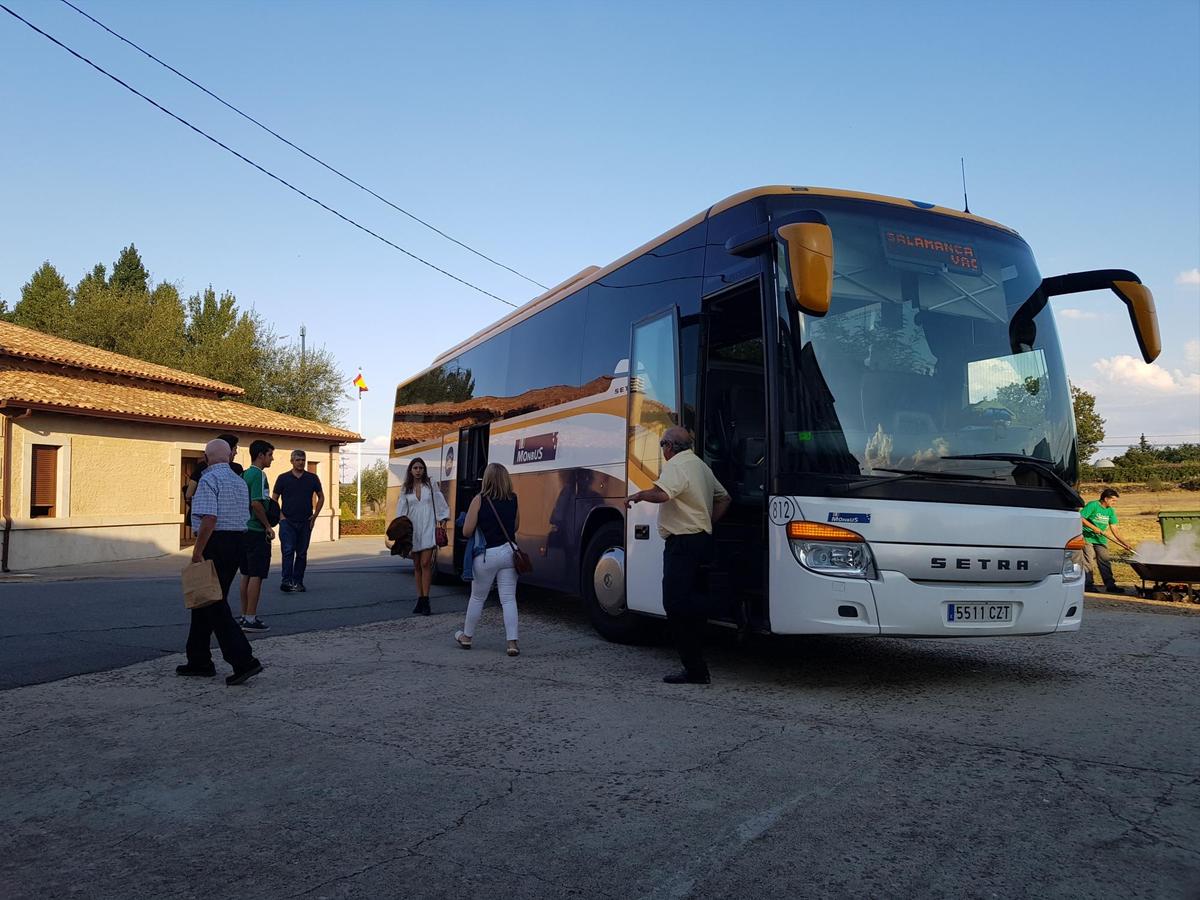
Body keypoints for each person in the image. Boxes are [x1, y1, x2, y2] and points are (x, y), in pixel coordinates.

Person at [626, 426, 731, 685]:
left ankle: (694, 669)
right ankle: (698, 665)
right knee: (692, 605)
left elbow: (663, 493)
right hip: (702, 540)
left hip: (682, 544)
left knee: (674, 604)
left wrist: (640, 495)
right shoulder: (701, 466)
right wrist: (706, 521)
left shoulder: (676, 466)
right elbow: (725, 498)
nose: (663, 450)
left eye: (663, 444)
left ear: (669, 447)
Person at [177, 438, 263, 686]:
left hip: (216, 543)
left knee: (214, 603)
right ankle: (198, 660)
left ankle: (243, 659)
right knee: (204, 601)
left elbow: (209, 519)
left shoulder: (209, 479)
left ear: (206, 456)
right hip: (237, 543)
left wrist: (197, 551)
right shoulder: (238, 481)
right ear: (228, 456)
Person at [455, 463, 521, 656]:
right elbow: (515, 527)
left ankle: (467, 637)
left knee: (477, 598)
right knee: (508, 600)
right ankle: (512, 643)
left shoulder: (480, 499)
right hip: (509, 554)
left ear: (487, 479)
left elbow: (467, 531)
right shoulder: (514, 499)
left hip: (486, 556)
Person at [396, 457, 450, 615]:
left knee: (426, 563)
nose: (418, 470)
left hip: (428, 526)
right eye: (415, 468)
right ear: (411, 470)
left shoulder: (430, 485)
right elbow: (401, 509)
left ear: (424, 469)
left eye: (420, 468)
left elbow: (440, 502)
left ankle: (426, 600)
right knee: (417, 565)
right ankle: (419, 599)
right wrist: (401, 530)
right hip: (413, 529)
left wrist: (442, 519)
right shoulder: (405, 488)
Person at [272, 450, 324, 593]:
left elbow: (321, 497)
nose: (301, 462)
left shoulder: (312, 478)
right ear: (292, 461)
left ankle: (298, 582)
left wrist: (315, 516)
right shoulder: (283, 478)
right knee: (288, 551)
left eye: (303, 460)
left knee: (301, 553)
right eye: (298, 460)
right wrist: (280, 516)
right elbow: (274, 499)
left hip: (305, 522)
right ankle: (286, 582)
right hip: (287, 522)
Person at [238, 440, 275, 631]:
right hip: (256, 530)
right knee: (256, 575)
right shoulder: (259, 475)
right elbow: (256, 503)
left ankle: (245, 615)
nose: (272, 458)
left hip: (243, 530)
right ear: (261, 455)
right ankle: (251, 618)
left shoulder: (244, 474)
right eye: (270, 454)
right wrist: (267, 526)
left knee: (245, 573)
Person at [1081, 487, 1133, 594]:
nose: (1114, 503)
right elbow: (1080, 517)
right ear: (1106, 499)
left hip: (1101, 539)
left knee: (1104, 561)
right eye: (1113, 500)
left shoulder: (1110, 511)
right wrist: (1093, 527)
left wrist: (1124, 543)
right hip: (1086, 537)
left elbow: (1114, 529)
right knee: (1089, 561)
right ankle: (1088, 585)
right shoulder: (1093, 505)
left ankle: (1110, 585)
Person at [184, 433, 243, 509]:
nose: (236, 453)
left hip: (201, 513)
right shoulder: (236, 469)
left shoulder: (202, 467)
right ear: (228, 450)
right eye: (235, 449)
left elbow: (189, 494)